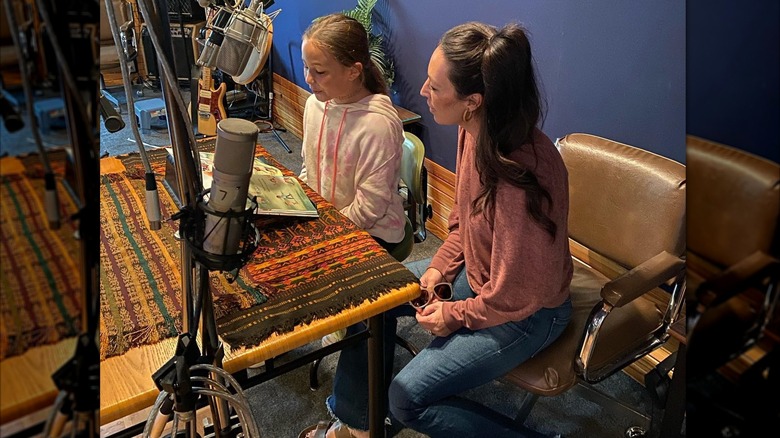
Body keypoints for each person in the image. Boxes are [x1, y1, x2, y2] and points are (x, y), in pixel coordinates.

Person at [302, 21, 573, 438]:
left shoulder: (519, 181)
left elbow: (516, 295)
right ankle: (360, 424)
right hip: (482, 282)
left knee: (406, 398)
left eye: (435, 86)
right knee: (367, 299)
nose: (424, 92)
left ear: (473, 101)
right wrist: (437, 270)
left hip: (527, 314)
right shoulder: (473, 130)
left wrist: (455, 314)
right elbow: (463, 225)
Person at [299, 13, 407, 253]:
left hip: (373, 231)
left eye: (320, 71)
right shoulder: (314, 105)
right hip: (327, 219)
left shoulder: (377, 125)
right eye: (306, 66)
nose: (308, 78)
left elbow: (370, 207)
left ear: (353, 71)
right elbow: (310, 169)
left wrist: (325, 233)